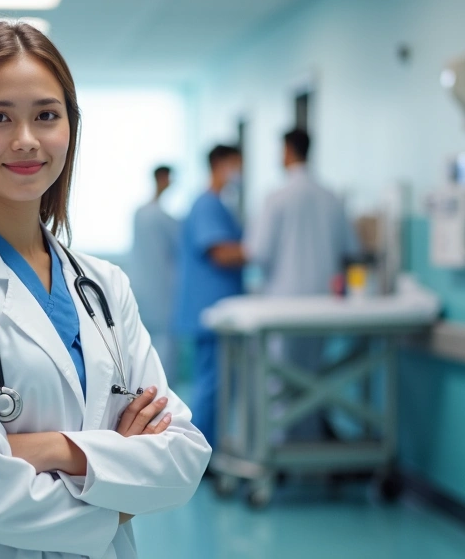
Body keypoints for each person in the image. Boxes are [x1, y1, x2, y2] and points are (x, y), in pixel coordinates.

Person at [0, 22, 210, 558]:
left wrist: (52, 449)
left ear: (69, 130)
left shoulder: (104, 286)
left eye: (45, 115)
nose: (26, 139)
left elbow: (183, 458)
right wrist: (118, 477)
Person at [245, 128, 360, 440]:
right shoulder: (332, 197)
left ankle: (278, 454)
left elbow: (258, 252)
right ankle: (310, 448)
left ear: (287, 151)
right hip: (324, 304)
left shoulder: (276, 197)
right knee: (314, 377)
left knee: (279, 379)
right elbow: (351, 250)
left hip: (282, 306)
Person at [172, 145, 246, 450]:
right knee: (211, 385)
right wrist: (262, 249)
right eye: (236, 164)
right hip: (210, 308)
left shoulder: (219, 205)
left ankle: (206, 448)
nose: (239, 172)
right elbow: (219, 252)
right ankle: (199, 452)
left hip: (215, 305)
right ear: (220, 164)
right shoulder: (207, 205)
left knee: (216, 383)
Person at [129, 166, 179, 385]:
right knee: (164, 347)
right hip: (161, 290)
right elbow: (181, 249)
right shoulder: (162, 217)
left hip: (142, 286)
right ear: (163, 178)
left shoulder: (140, 213)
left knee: (141, 346)